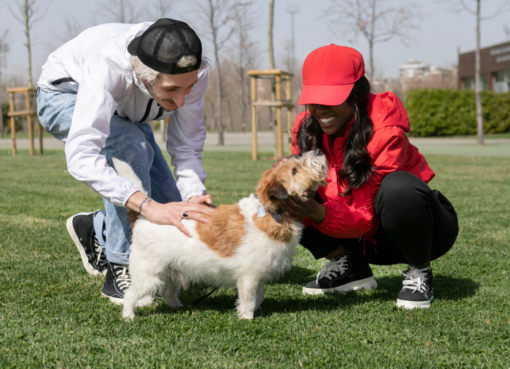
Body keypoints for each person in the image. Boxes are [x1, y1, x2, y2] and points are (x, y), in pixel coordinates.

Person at [36, 19, 215, 305]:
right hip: (63, 96)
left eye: (188, 88)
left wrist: (193, 195)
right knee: (130, 146)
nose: (181, 101)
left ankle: (95, 227)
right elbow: (81, 156)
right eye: (171, 90)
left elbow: (187, 146)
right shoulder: (108, 67)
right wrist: (147, 206)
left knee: (176, 214)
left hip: (126, 112)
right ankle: (120, 264)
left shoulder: (192, 73)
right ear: (144, 76)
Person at [278, 45, 459, 309]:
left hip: (407, 232)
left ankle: (419, 269)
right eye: (314, 98)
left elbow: (365, 219)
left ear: (357, 93)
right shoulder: (304, 127)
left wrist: (316, 212)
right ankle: (349, 267)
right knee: (286, 189)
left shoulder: (385, 132)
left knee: (399, 188)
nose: (320, 109)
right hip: (354, 237)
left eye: (331, 98)